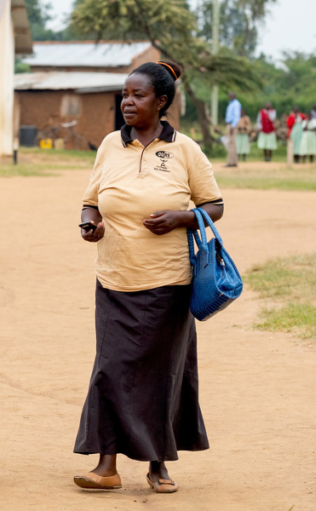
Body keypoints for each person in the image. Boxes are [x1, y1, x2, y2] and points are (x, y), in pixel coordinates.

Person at [73, 61, 223, 494]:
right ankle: (106, 465)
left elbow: (214, 206)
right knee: (110, 369)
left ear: (161, 102)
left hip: (169, 283)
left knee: (162, 374)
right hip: (114, 279)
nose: (127, 102)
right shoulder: (108, 146)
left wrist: (181, 217)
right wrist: (89, 225)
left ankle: (158, 465)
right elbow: (89, 202)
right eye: (125, 94)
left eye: (138, 95)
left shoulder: (185, 150)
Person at [224, 91, 241, 167]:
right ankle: (233, 161)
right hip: (230, 124)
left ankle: (231, 162)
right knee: (232, 144)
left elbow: (237, 116)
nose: (230, 98)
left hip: (232, 125)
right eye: (229, 96)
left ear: (234, 97)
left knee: (231, 143)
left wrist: (233, 126)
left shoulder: (236, 104)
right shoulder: (231, 104)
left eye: (231, 97)